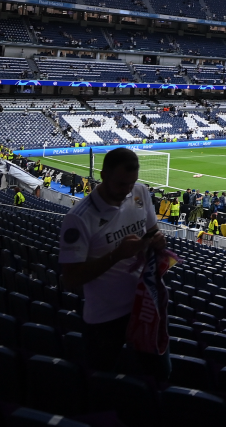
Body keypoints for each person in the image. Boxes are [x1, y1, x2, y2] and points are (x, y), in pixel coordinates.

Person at [59, 147, 168, 378]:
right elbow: (70, 279)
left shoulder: (140, 193)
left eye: (132, 183)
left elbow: (151, 231)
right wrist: (116, 255)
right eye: (121, 184)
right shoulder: (78, 218)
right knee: (102, 381)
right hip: (104, 319)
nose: (127, 190)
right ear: (103, 175)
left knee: (158, 374)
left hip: (144, 308)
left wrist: (156, 240)